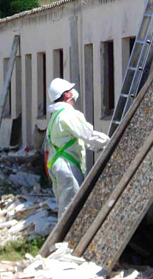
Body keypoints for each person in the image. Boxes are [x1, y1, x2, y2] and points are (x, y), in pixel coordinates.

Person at [45, 77, 110, 218]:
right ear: (67, 94)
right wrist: (109, 142)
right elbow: (87, 134)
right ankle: (66, 238)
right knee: (71, 207)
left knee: (65, 204)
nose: (73, 92)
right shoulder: (68, 114)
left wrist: (97, 147)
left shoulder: (56, 116)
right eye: (70, 90)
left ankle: (64, 237)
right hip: (67, 168)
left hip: (59, 166)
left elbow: (79, 139)